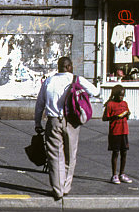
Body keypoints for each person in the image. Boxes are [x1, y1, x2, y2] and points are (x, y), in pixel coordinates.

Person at [34, 56, 100, 200]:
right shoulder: (77, 80)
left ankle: (57, 189)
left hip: (53, 121)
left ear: (58, 67)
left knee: (55, 156)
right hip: (72, 121)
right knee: (71, 154)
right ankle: (66, 186)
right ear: (69, 66)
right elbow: (95, 92)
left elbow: (39, 104)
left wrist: (38, 123)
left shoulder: (49, 81)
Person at [102, 84, 132, 184]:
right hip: (115, 132)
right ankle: (114, 175)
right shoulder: (110, 104)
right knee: (116, 153)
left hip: (124, 131)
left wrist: (127, 114)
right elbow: (104, 118)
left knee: (124, 152)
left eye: (123, 95)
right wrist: (114, 117)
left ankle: (122, 174)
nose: (121, 97)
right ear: (115, 94)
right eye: (120, 95)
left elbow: (127, 117)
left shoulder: (124, 103)